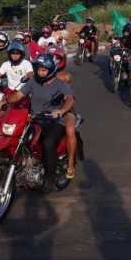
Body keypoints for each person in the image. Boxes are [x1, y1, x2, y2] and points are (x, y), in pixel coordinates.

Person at [6, 54, 74, 193]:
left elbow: (69, 99)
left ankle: (50, 178)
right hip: (35, 119)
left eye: (43, 70)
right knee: (20, 138)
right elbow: (18, 95)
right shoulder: (33, 82)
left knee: (48, 143)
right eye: (38, 69)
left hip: (54, 121)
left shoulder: (60, 84)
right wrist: (5, 101)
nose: (40, 72)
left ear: (51, 70)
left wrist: (61, 111)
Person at [46, 46, 79, 179]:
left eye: (57, 58)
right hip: (44, 110)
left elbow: (68, 96)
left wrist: (62, 108)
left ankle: (70, 165)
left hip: (65, 110)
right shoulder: (40, 74)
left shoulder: (65, 76)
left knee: (70, 130)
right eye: (51, 58)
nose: (54, 60)